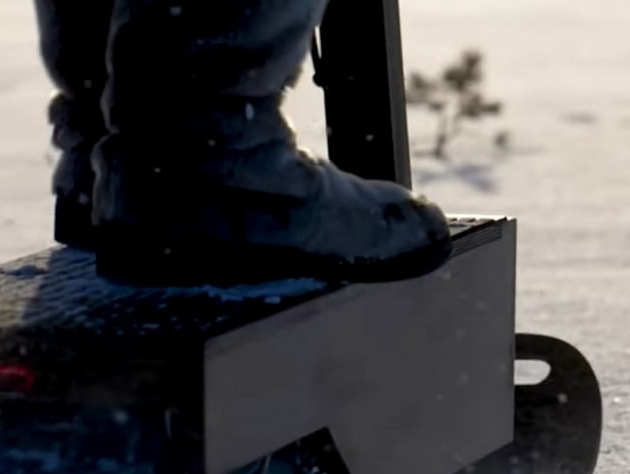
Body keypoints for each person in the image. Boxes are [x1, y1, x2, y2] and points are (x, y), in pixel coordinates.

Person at [35, 0, 452, 287]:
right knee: (191, 139)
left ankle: (113, 158)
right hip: (205, 181)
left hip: (118, 164)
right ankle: (216, 177)